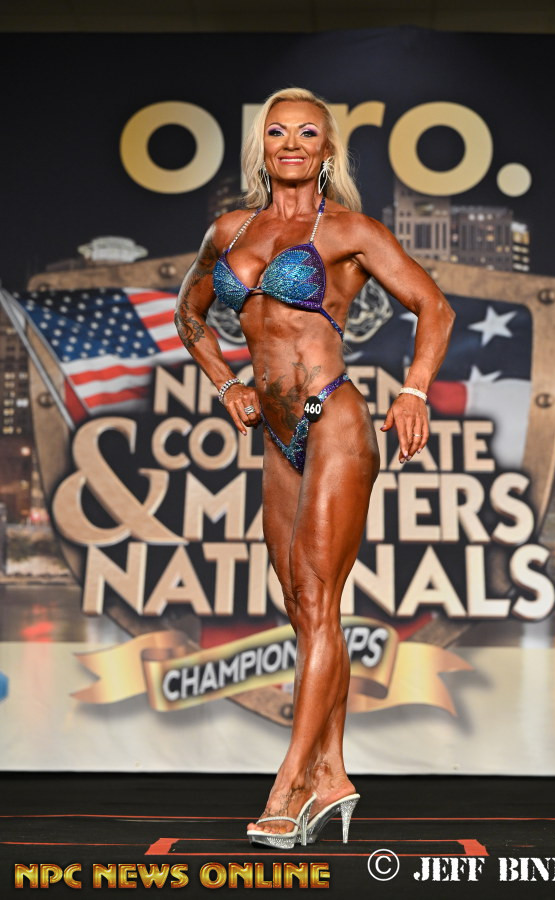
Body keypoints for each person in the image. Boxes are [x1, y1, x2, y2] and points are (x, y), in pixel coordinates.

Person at [174, 87, 455, 848]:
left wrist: (414, 391)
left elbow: (435, 308)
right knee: (302, 606)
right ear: (261, 147)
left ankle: (290, 782)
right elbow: (190, 314)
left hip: (334, 417)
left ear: (327, 149)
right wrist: (226, 383)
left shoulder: (349, 231)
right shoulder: (230, 230)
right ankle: (333, 774)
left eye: (307, 132)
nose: (291, 143)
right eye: (277, 132)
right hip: (275, 433)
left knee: (321, 596)